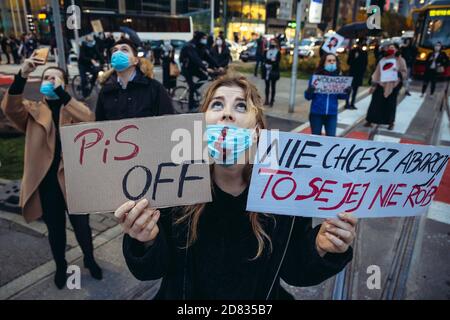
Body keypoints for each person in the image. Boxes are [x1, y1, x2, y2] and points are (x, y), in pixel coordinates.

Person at [114, 72, 357, 300]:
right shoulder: (173, 184)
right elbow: (152, 270)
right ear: (199, 124)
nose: (227, 114)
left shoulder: (285, 191)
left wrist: (320, 248)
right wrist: (145, 241)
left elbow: (294, 271)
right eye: (217, 104)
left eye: (241, 106)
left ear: (257, 131)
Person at [0, 54, 101, 289]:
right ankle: (61, 266)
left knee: (82, 227)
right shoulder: (32, 110)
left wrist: (65, 97)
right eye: (46, 77)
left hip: (75, 181)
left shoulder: (75, 109)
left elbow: (89, 120)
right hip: (47, 183)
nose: (50, 79)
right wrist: (22, 74)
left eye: (56, 77)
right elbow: (10, 108)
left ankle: (90, 258)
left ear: (64, 84)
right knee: (55, 229)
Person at [96, 38, 174, 121]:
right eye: (114, 51)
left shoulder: (154, 88)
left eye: (124, 50)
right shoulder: (106, 91)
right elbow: (100, 124)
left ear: (135, 60)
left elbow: (168, 122)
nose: (118, 53)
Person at [305, 53, 350, 136]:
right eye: (329, 61)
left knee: (331, 138)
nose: (332, 62)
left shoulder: (339, 78)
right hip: (316, 114)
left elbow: (342, 96)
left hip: (331, 114)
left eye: (334, 60)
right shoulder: (316, 78)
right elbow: (308, 97)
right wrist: (309, 91)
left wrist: (347, 92)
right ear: (323, 63)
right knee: (315, 138)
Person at [365, 43, 407, 130]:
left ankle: (390, 122)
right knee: (375, 103)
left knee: (390, 104)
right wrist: (374, 83)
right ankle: (370, 120)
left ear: (397, 49)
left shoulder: (401, 60)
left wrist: (398, 72)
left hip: (393, 85)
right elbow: (377, 72)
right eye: (389, 48)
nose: (391, 49)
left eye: (393, 48)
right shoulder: (383, 59)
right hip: (381, 84)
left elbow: (404, 72)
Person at [179, 31, 217, 111]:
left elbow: (208, 57)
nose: (205, 40)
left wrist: (218, 66)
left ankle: (194, 90)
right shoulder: (189, 46)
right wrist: (205, 68)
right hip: (186, 69)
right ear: (199, 38)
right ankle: (191, 106)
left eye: (205, 38)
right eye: (203, 38)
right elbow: (195, 59)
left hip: (194, 68)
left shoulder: (201, 46)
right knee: (192, 87)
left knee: (204, 77)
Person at [345, 40, 368, 110]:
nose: (361, 46)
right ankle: (347, 103)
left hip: (359, 73)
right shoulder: (353, 51)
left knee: (355, 89)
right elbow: (348, 62)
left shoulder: (364, 53)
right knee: (349, 89)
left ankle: (352, 103)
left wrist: (363, 71)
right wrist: (355, 57)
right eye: (360, 45)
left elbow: (365, 63)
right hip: (352, 72)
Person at [261, 39, 281, 107]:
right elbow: (264, 59)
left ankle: (272, 100)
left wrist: (271, 61)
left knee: (273, 86)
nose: (272, 44)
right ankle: (266, 100)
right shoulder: (266, 51)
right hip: (266, 71)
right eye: (271, 43)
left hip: (273, 71)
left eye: (274, 43)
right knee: (267, 86)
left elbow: (277, 61)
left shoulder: (278, 52)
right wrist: (271, 60)